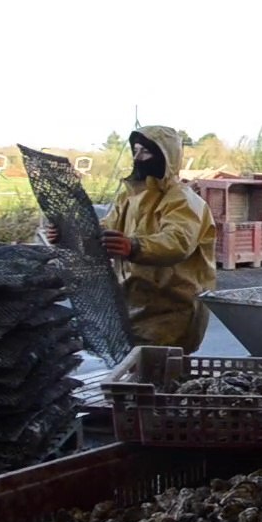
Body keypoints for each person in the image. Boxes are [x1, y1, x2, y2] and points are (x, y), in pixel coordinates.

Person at [47, 125, 217, 354]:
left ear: (165, 157)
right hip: (132, 303)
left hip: (172, 308)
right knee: (137, 373)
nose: (137, 158)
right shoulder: (129, 196)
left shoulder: (183, 201)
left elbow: (177, 242)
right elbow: (105, 230)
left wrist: (134, 246)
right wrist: (70, 236)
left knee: (164, 374)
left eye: (145, 152)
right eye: (135, 151)